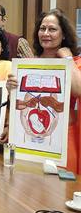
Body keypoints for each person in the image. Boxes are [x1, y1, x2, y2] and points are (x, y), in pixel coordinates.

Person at [7, 9, 81, 172]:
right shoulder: (28, 64)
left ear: (63, 34)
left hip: (63, 139)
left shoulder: (74, 62)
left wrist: (67, 59)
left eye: (52, 29)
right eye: (42, 28)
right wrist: (11, 88)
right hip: (29, 141)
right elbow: (19, 105)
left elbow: (79, 90)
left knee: (62, 185)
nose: (46, 33)